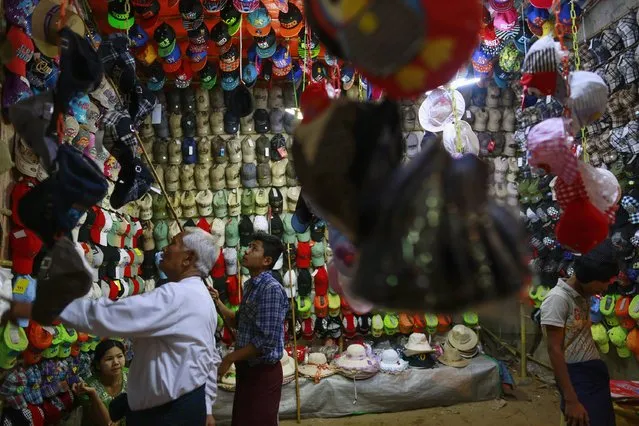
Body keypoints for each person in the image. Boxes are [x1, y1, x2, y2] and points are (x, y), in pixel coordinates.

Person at [7, 228, 221, 426]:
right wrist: (207, 405)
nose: (164, 248)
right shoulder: (202, 297)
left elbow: (108, 315)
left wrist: (42, 309)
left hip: (166, 415)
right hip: (184, 405)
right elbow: (208, 357)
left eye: (173, 243)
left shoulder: (178, 296)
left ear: (188, 258)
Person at [211, 232, 289, 426]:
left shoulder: (270, 288)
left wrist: (230, 357)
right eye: (249, 246)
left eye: (254, 248)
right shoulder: (251, 286)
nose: (247, 251)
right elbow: (239, 322)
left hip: (262, 373)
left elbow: (265, 341)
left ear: (267, 260)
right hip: (247, 369)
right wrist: (218, 302)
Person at [541, 239, 619, 426]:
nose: (604, 288)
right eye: (602, 282)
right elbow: (554, 350)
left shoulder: (583, 296)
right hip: (577, 379)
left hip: (593, 374)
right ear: (588, 278)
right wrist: (571, 400)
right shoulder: (557, 300)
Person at [74, 339, 128, 426]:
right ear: (98, 365)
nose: (116, 362)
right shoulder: (87, 387)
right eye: (109, 359)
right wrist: (94, 395)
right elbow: (106, 424)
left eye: (120, 356)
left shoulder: (132, 376)